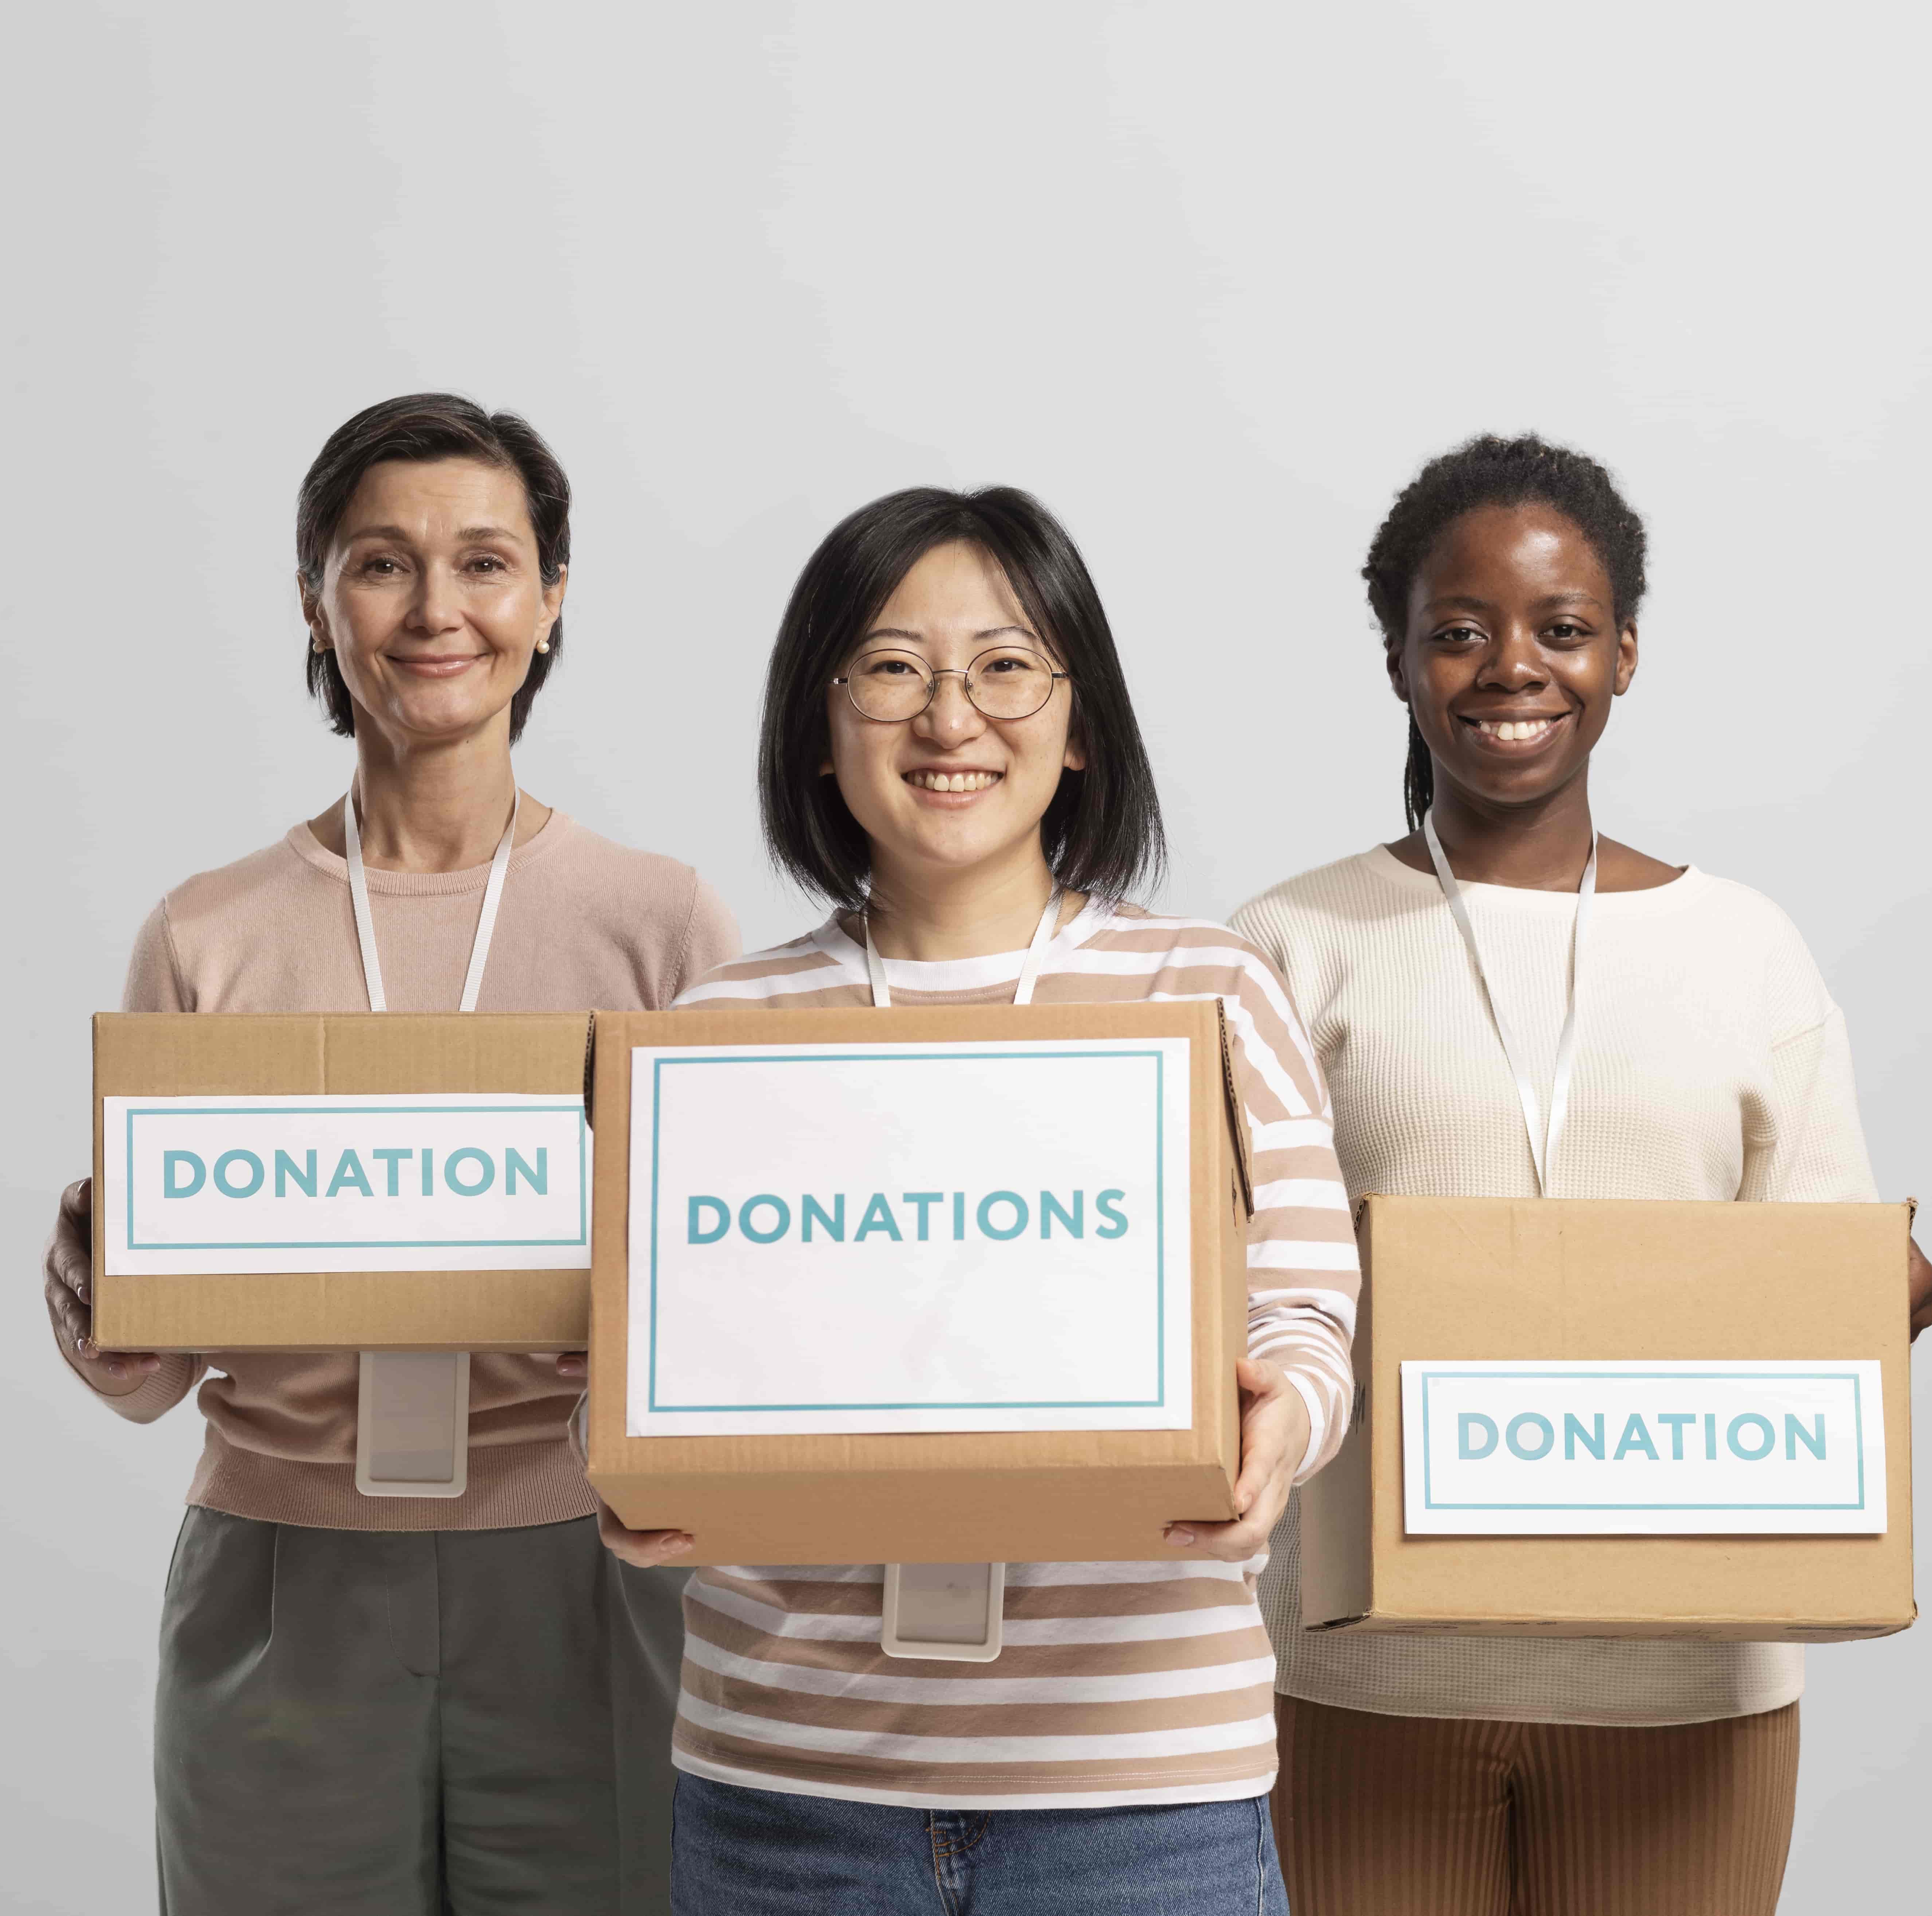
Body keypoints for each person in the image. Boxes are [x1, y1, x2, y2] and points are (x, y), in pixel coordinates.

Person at [579, 486, 1359, 1914]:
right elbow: (631, 1352)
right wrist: (631, 1461)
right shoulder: (721, 1029)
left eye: (1005, 667)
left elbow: (1308, 1311)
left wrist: (1278, 1427)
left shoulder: (1203, 992)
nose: (950, 718)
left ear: (1081, 729)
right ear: (819, 728)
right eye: (891, 669)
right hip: (788, 1798)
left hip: (1138, 1795)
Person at [39, 393, 741, 1915]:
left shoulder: (659, 923)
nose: (437, 610)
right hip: (286, 1577)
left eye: (485, 563)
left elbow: (726, 1310)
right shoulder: (208, 932)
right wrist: (97, 1293)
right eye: (382, 563)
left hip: (585, 1569)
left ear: (550, 601)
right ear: (314, 598)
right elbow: (152, 1373)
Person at [1232, 433, 1932, 1915]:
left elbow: (1821, 1271)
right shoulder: (1291, 944)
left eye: (1560, 631)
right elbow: (1228, 1284)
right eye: (1458, 632)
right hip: (1371, 1673)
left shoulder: (1744, 948)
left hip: (1689, 1684)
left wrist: (1878, 1293)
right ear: (1398, 661)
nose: (1510, 670)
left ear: (1622, 654)